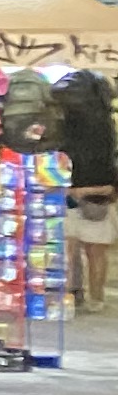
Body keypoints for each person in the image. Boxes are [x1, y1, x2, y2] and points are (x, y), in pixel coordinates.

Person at [57, 70, 118, 312]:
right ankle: (96, 298)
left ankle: (69, 296)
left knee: (68, 249)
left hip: (68, 189)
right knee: (96, 251)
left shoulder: (66, 121)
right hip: (100, 192)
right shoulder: (107, 124)